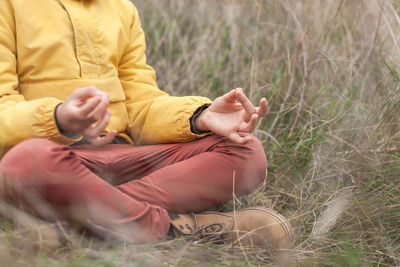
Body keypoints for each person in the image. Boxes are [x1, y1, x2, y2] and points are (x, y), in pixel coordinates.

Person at [0, 0, 293, 250]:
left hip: (122, 158)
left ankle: (70, 221)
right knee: (25, 162)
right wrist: (59, 118)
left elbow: (140, 105)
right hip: (50, 160)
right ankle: (181, 228)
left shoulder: (121, 9)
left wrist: (200, 117)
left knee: (246, 152)